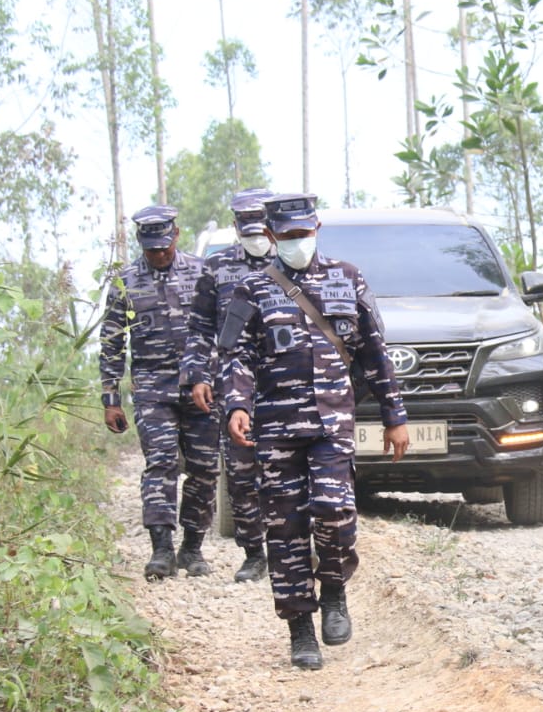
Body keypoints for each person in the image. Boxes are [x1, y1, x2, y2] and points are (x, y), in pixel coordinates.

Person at [219, 193, 410, 670]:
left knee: (334, 509)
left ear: (317, 227)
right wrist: (236, 405)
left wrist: (395, 416)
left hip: (331, 422)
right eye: (287, 236)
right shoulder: (251, 290)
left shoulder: (348, 278)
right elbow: (235, 355)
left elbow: (374, 352)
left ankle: (334, 590)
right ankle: (300, 629)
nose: (297, 242)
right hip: (276, 426)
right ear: (270, 235)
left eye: (304, 233)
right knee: (284, 529)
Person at [99, 205, 219, 580]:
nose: (160, 254)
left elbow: (221, 328)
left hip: (201, 385)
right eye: (152, 248)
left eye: (165, 246)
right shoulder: (126, 281)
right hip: (152, 387)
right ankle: (162, 549)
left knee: (204, 469)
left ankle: (192, 548)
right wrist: (110, 399)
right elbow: (112, 342)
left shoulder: (202, 272)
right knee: (161, 464)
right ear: (141, 243)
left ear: (177, 235)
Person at [185, 188, 276, 583]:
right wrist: (199, 375)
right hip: (234, 384)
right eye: (245, 224)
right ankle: (254, 552)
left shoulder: (294, 263)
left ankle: (295, 545)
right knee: (240, 472)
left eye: (260, 224)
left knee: (289, 467)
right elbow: (200, 327)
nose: (254, 232)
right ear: (236, 226)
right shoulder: (217, 267)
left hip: (286, 384)